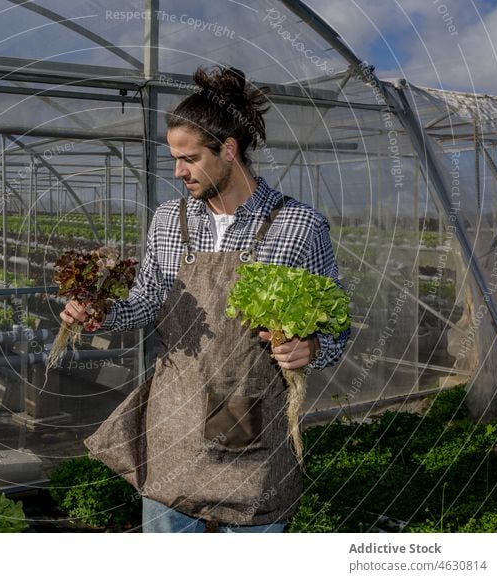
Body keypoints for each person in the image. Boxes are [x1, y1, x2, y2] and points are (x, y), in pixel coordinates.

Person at [60, 65, 349, 533]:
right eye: (175, 158)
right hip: (175, 415)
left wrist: (311, 348)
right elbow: (148, 301)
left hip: (250, 415)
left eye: (190, 158)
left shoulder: (298, 227)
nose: (178, 171)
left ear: (229, 151)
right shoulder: (168, 220)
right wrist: (102, 313)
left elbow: (336, 327)